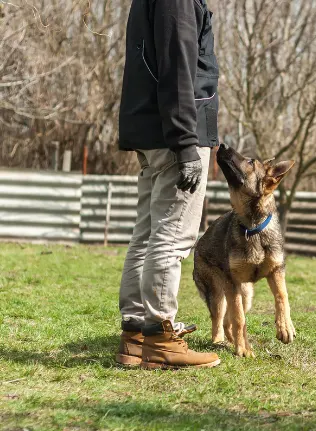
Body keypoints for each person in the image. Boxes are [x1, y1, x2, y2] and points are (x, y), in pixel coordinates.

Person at [114, 0, 221, 369]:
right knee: (173, 236)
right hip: (174, 134)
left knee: (146, 235)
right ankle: (161, 338)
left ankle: (135, 334)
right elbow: (178, 67)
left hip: (149, 128)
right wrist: (186, 142)